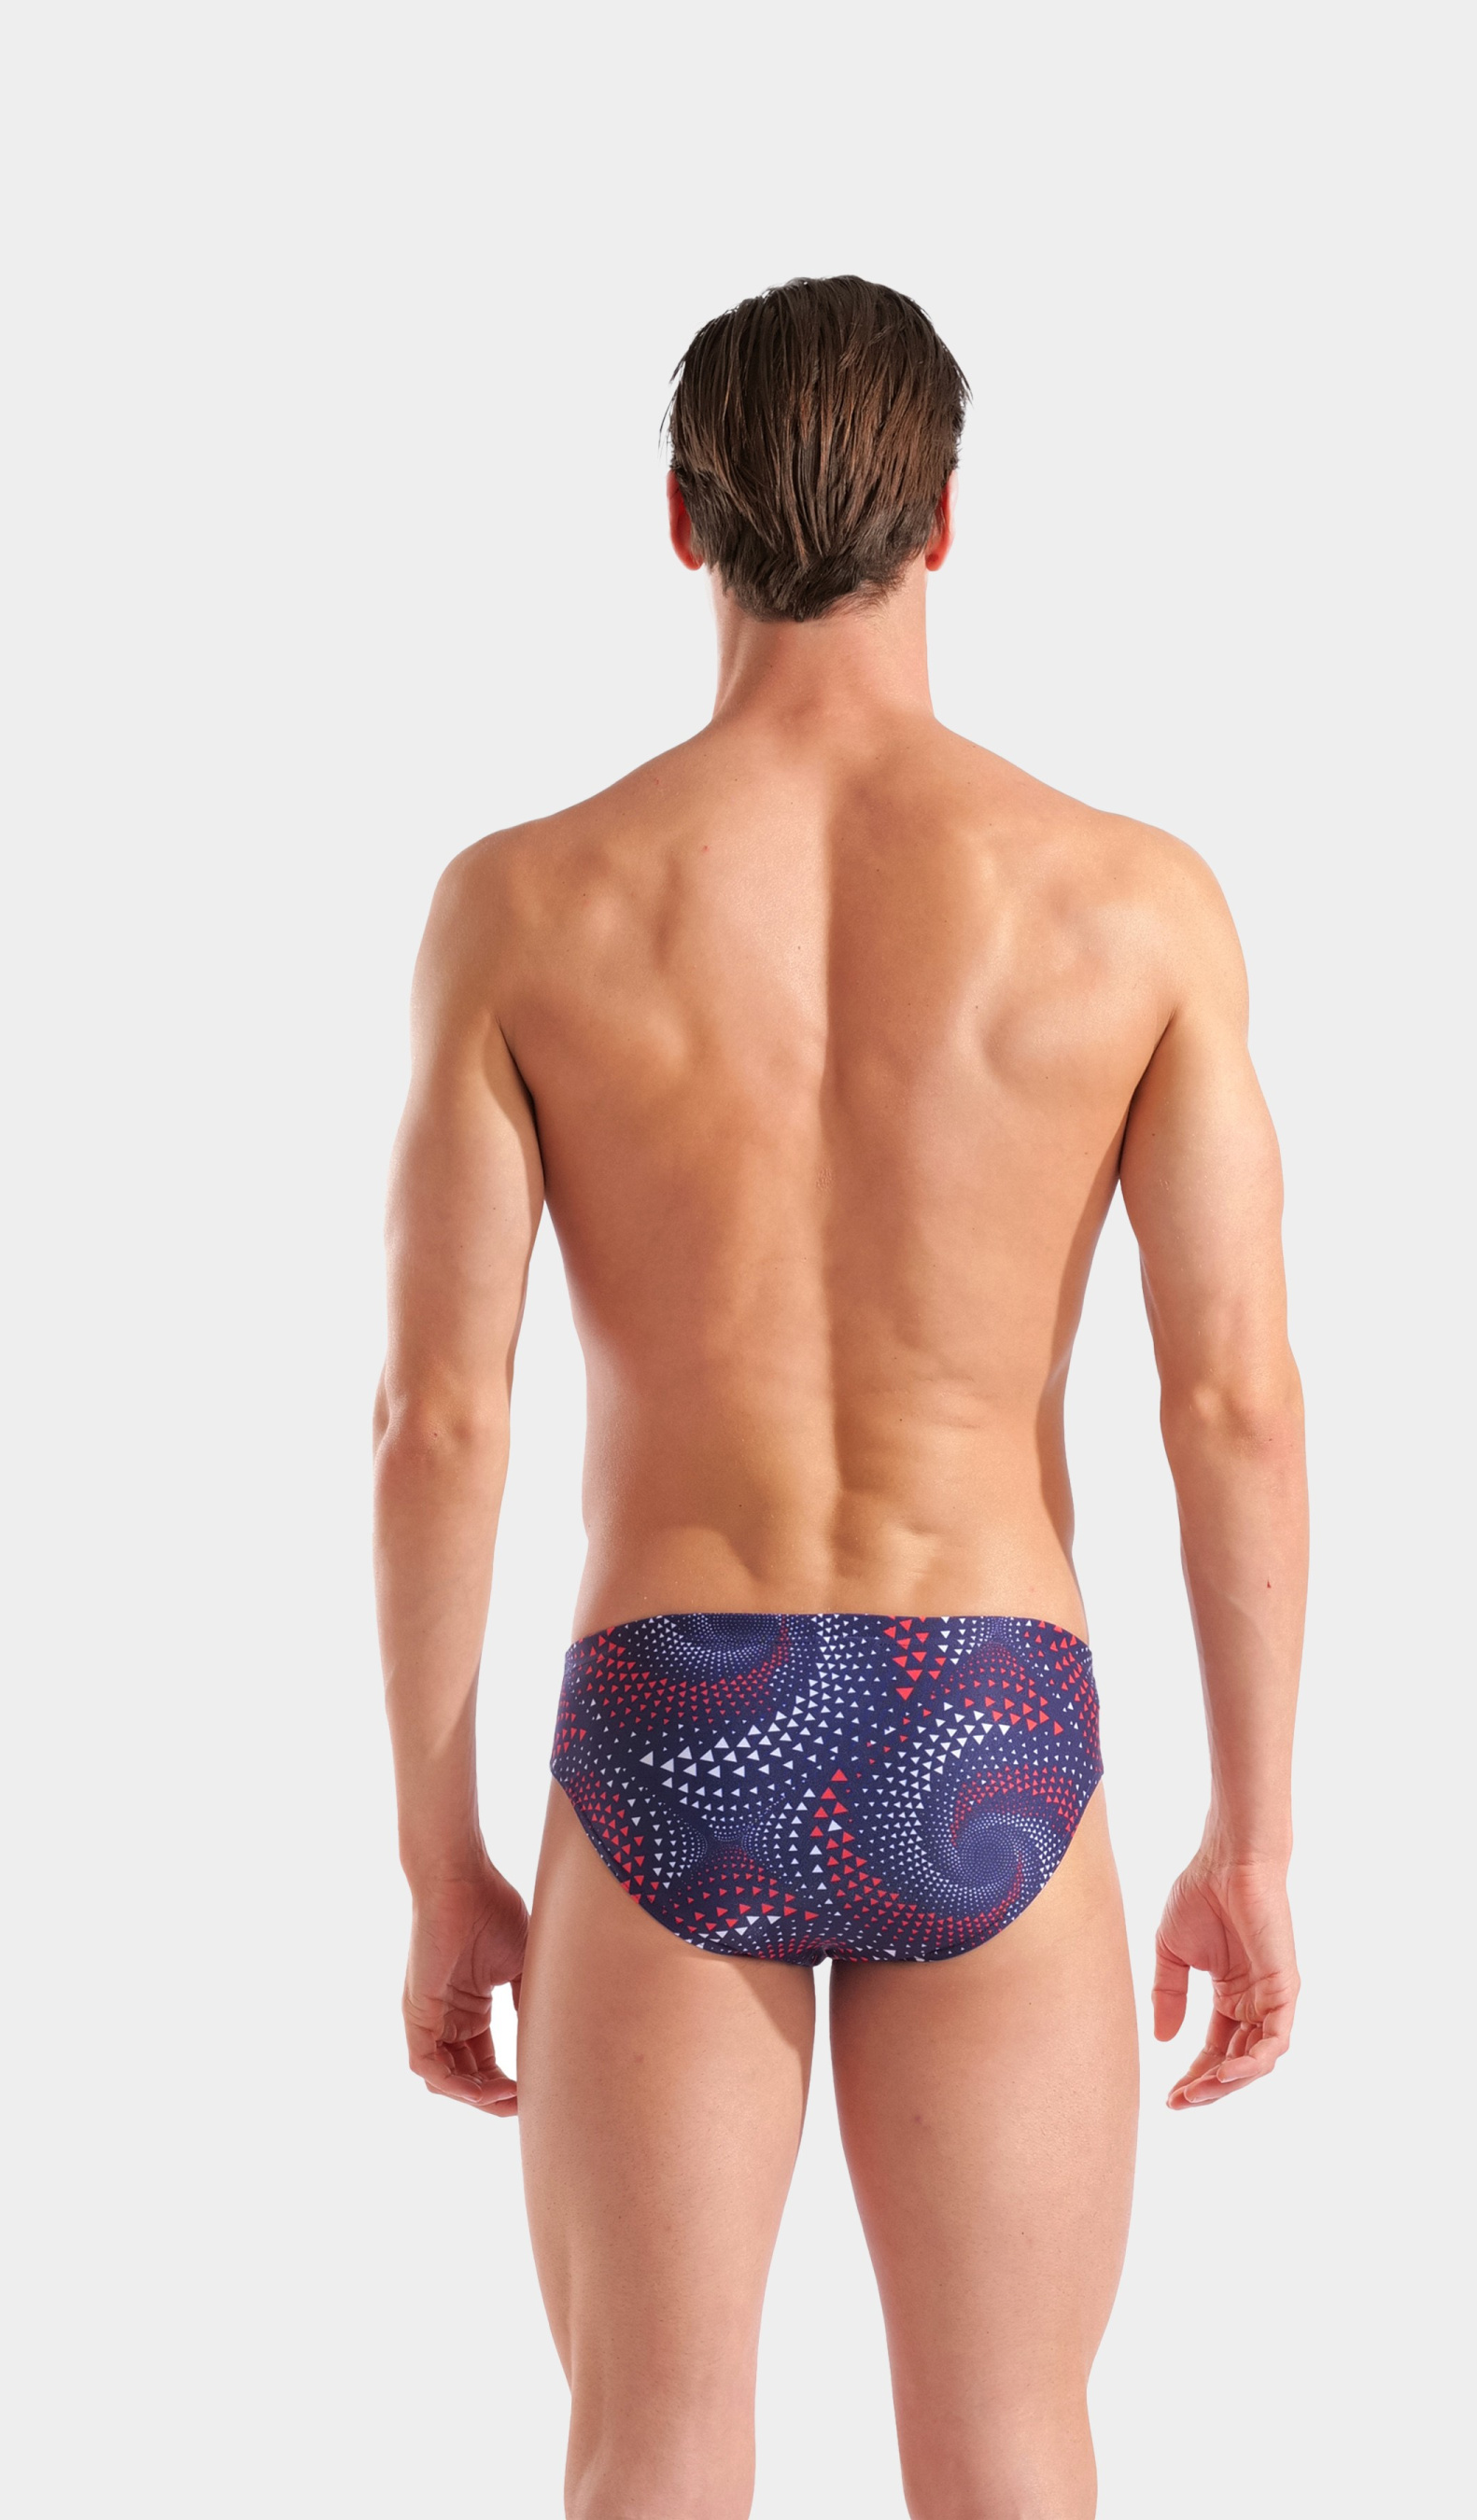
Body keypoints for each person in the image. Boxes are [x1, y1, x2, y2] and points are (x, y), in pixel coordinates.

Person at [373, 274, 1306, 2520]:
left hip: (670, 1721)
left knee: (650, 2453)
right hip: (982, 1717)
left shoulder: (526, 906)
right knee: (1006, 2457)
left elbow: (439, 1419)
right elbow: (1230, 1404)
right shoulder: (1130, 908)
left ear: (678, 521)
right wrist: (1251, 1840)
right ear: (946, 523)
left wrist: (440, 1860)